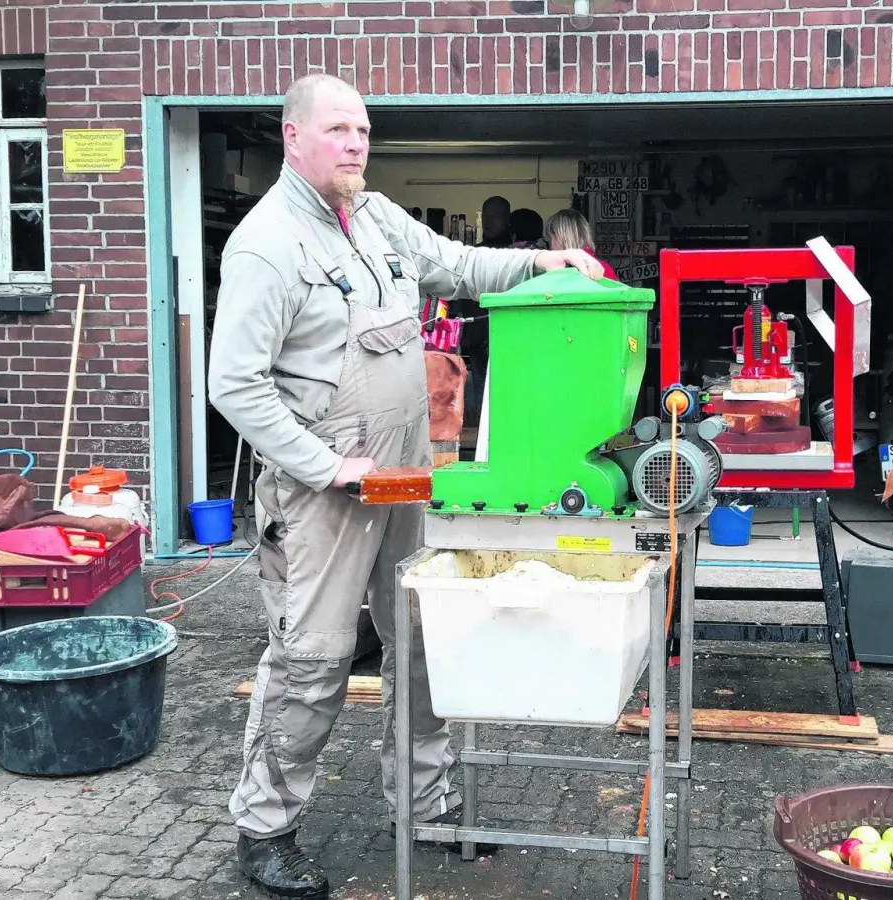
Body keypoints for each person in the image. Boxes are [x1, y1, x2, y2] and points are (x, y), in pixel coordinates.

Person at [206, 73, 603, 900]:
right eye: (340, 130)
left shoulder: (378, 216)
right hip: (324, 495)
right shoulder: (265, 243)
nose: (356, 143)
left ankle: (424, 804)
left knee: (422, 643)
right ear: (293, 136)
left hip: (401, 482)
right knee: (311, 662)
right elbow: (234, 386)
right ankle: (266, 828)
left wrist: (546, 259)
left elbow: (459, 264)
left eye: (364, 130)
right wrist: (326, 466)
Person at [546, 208, 619, 281]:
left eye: (549, 238)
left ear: (559, 236)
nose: (549, 245)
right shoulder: (604, 268)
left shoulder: (557, 271)